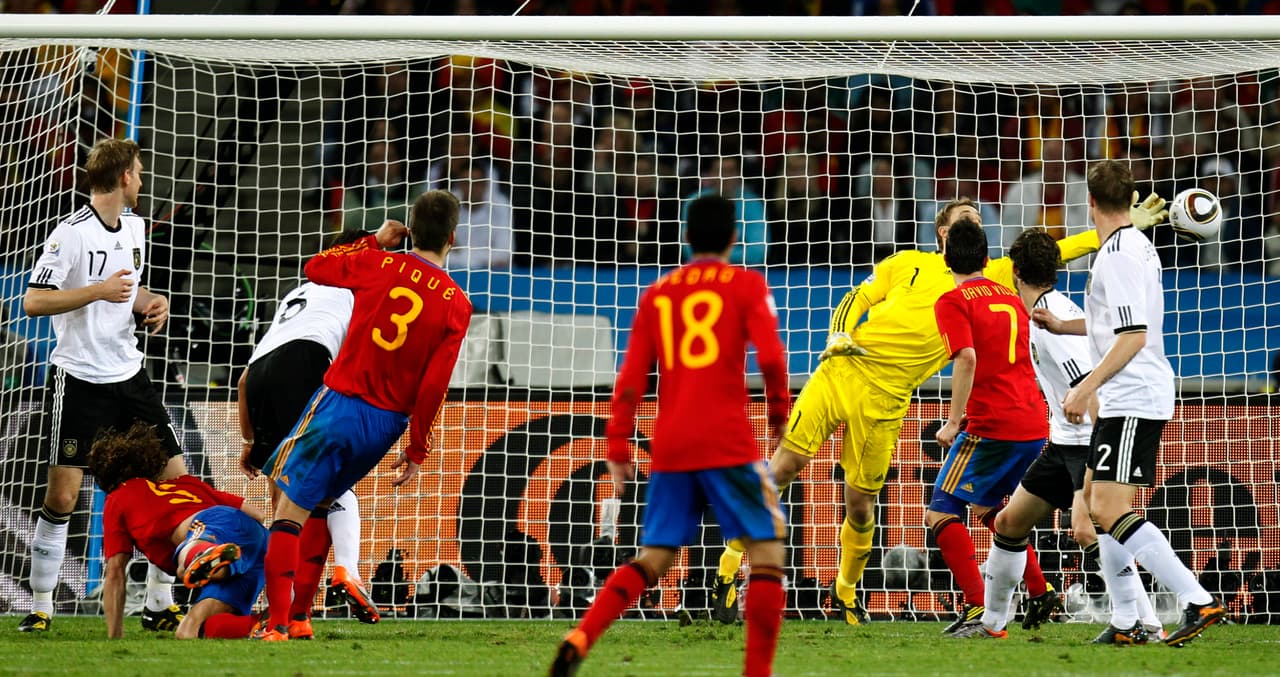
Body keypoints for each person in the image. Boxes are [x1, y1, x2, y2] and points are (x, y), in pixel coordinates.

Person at [710, 193, 1167, 627]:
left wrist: (1116, 230)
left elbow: (1052, 251)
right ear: (941, 231)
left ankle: (846, 591)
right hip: (840, 373)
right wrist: (839, 332)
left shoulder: (991, 274)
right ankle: (729, 568)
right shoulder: (906, 263)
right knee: (784, 466)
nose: (972, 220)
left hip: (888, 399)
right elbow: (858, 298)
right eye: (963, 216)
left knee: (861, 506)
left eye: (976, 217)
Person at [549, 194, 791, 677]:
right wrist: (779, 417)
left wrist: (619, 446)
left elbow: (632, 378)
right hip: (726, 441)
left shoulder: (658, 293)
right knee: (768, 549)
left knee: (654, 557)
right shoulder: (746, 284)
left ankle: (582, 634)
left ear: (685, 237)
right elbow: (769, 359)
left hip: (672, 443)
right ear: (733, 237)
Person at [255, 189, 472, 641]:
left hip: (341, 403)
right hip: (385, 426)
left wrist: (374, 239)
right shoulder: (457, 303)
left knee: (288, 513)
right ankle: (299, 619)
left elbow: (315, 267)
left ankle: (276, 624)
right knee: (322, 505)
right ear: (453, 237)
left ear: (409, 228)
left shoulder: (380, 263)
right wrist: (417, 448)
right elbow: (435, 386)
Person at [1032, 160, 1225, 647]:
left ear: (1090, 202)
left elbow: (1134, 337)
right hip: (1129, 396)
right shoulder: (1135, 244)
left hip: (1132, 396)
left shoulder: (1117, 255)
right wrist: (1067, 327)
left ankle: (1196, 598)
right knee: (1098, 508)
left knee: (1111, 508)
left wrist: (1082, 386)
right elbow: (1117, 325)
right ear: (1130, 199)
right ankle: (1126, 621)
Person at [955, 229, 1162, 642]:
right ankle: (992, 624)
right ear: (1057, 270)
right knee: (1011, 522)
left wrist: (1102, 449)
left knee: (1090, 529)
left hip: (1086, 443)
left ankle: (1146, 622)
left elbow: (1089, 387)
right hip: (1063, 442)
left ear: (1013, 272)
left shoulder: (1050, 325)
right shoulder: (1051, 313)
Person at [19, 138, 186, 634]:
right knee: (64, 497)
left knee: (176, 482)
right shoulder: (68, 234)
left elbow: (129, 294)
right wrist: (98, 290)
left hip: (129, 374)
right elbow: (32, 302)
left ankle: (159, 600)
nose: (141, 178)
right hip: (80, 379)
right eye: (138, 170)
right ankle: (43, 605)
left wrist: (153, 303)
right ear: (121, 179)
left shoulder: (134, 227)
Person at [235, 229, 377, 641]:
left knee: (288, 500)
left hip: (260, 375)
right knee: (326, 477)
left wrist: (249, 442)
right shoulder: (359, 289)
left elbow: (244, 380)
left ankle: (292, 614)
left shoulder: (299, 291)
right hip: (308, 359)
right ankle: (346, 571)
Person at [925, 219, 1048, 640]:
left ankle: (980, 607)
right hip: (1033, 421)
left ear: (945, 257)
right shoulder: (1012, 297)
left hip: (991, 425)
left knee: (942, 509)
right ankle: (1039, 587)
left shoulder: (953, 300)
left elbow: (966, 358)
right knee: (990, 508)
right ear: (987, 258)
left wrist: (953, 421)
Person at [92, 422, 267, 640]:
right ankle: (275, 624)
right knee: (191, 629)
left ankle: (202, 555)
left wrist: (114, 635)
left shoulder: (117, 498)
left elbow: (116, 571)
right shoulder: (186, 483)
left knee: (188, 559)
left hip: (207, 529)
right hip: (254, 540)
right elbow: (258, 514)